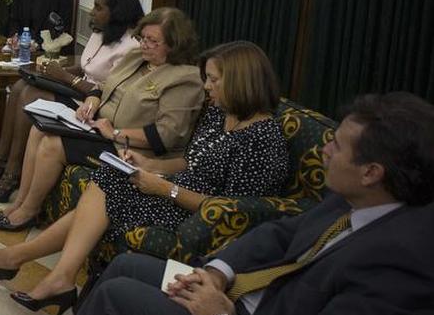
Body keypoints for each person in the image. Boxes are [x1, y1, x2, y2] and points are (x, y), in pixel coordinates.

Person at [0, 41, 291, 313]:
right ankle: (43, 272)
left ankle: (32, 266)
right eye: (207, 79)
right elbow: (191, 162)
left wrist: (165, 189)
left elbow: (232, 211)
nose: (207, 87)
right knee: (111, 177)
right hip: (175, 188)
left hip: (199, 218)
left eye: (215, 80)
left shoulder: (264, 141)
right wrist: (151, 165)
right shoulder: (222, 113)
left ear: (241, 81)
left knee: (106, 191)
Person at [75, 91, 434, 315]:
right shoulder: (352, 199)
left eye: (337, 147)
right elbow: (279, 234)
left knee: (116, 295)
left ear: (371, 172)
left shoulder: (400, 265)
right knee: (126, 265)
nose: (324, 150)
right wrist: (217, 274)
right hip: (236, 290)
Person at [0, 7, 204, 230]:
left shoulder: (184, 79)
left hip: (129, 147)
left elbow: (165, 136)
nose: (144, 44)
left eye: (152, 41)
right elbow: (103, 87)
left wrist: (116, 133)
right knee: (39, 128)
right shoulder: (137, 58)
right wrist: (91, 103)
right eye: (143, 38)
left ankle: (30, 211)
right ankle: (18, 203)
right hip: (99, 126)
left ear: (174, 44)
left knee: (51, 144)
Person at [0, 0, 143, 202]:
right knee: (20, 87)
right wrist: (54, 71)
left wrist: (64, 77)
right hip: (77, 89)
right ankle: (0, 164)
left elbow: (108, 91)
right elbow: (87, 67)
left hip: (93, 106)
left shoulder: (131, 47)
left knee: (29, 95)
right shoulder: (101, 32)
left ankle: (11, 176)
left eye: (98, 7)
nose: (92, 12)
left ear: (117, 12)